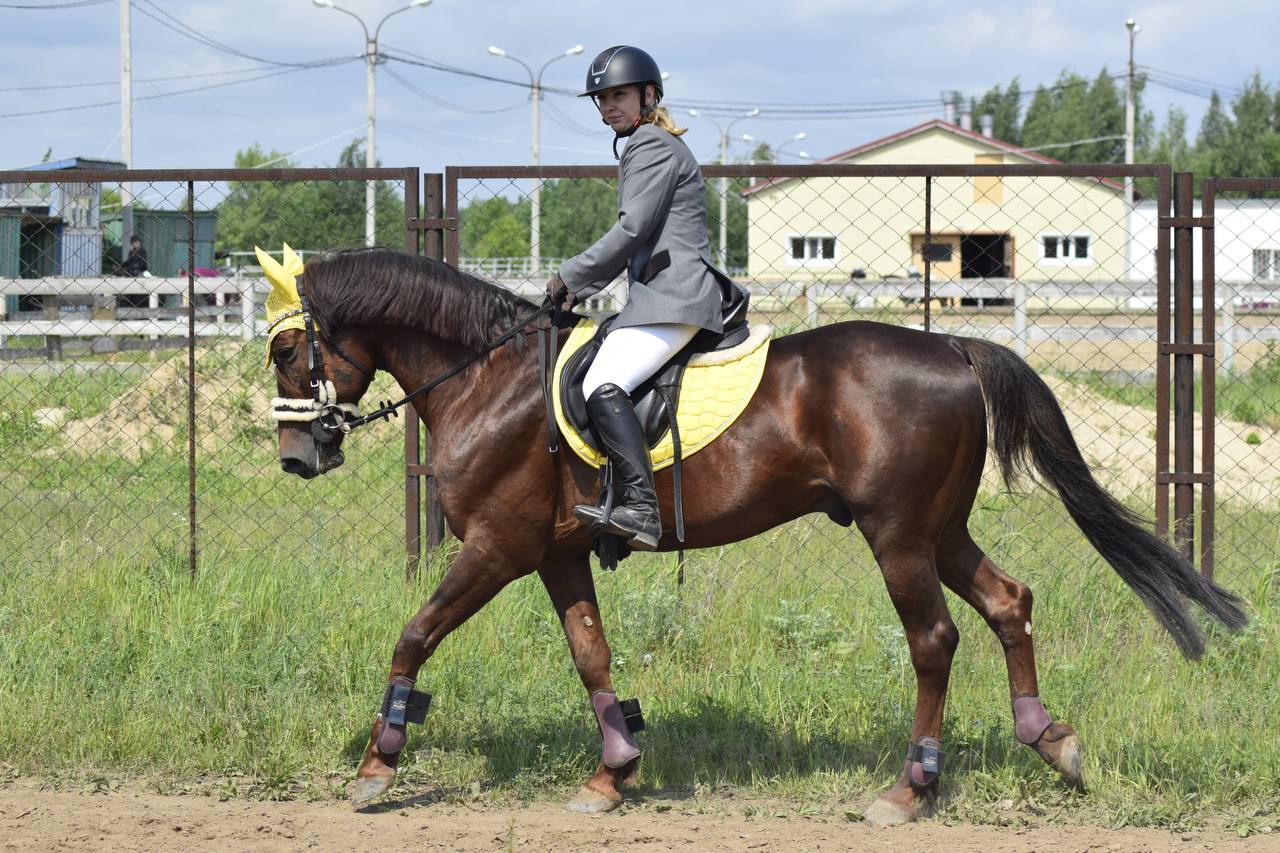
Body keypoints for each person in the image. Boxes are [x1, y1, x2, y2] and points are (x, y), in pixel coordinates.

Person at [546, 45, 748, 552]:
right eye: (602, 98)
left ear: (648, 94)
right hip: (659, 296)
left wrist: (570, 276)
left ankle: (639, 508)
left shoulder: (650, 144)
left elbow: (632, 230)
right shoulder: (647, 142)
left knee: (602, 381)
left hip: (674, 298)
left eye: (619, 94)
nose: (609, 105)